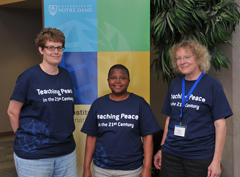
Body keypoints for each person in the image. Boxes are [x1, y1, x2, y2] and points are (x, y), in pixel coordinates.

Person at [153, 40, 233, 177]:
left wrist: (216, 161)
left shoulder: (212, 85)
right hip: (171, 155)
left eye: (187, 57)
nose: (182, 61)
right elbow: (169, 119)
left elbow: (220, 125)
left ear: (199, 58)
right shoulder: (175, 83)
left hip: (200, 157)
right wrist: (161, 148)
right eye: (178, 58)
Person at [7, 28, 78, 177]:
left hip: (66, 152)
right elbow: (12, 111)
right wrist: (23, 138)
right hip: (35, 156)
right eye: (50, 47)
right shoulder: (28, 77)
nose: (56, 52)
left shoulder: (66, 75)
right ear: (41, 50)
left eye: (59, 48)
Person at [81, 64, 160, 177]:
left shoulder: (139, 103)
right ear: (108, 80)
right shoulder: (98, 104)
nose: (117, 81)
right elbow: (91, 137)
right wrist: (86, 168)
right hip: (102, 169)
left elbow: (148, 137)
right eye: (113, 78)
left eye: (122, 78)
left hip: (131, 169)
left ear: (128, 81)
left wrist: (147, 168)